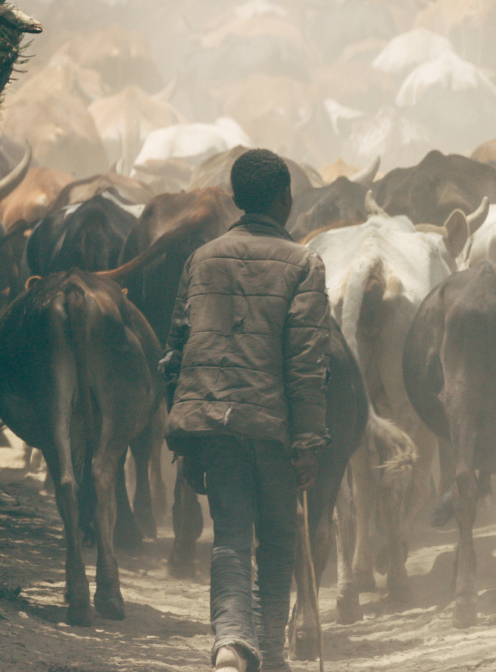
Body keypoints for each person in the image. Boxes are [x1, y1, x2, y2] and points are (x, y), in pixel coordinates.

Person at [161, 148, 331, 672]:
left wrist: (186, 436)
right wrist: (308, 442)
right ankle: (273, 652)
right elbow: (306, 364)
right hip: (274, 430)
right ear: (284, 200)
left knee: (231, 537)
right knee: (279, 540)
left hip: (213, 423)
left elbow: (177, 353)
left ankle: (231, 644)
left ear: (236, 198)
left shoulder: (202, 258)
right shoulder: (305, 263)